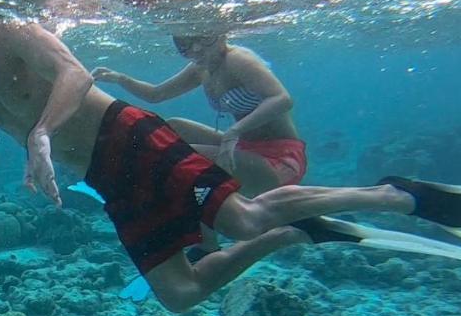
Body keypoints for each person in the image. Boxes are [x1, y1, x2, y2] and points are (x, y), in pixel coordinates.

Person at [0, 13, 461, 313]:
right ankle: (296, 232)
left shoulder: (17, 34)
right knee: (181, 296)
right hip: (105, 177)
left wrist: (42, 136)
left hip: (124, 135)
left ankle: (396, 195)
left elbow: (75, 77)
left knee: (245, 216)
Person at [91, 33, 304, 196]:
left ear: (220, 35)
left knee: (180, 157)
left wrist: (234, 132)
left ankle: (207, 239)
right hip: (244, 149)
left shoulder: (237, 60)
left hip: (279, 160)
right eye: (184, 46)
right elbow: (157, 94)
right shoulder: (201, 67)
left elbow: (282, 99)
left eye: (203, 40)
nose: (196, 50)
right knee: (171, 128)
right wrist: (121, 79)